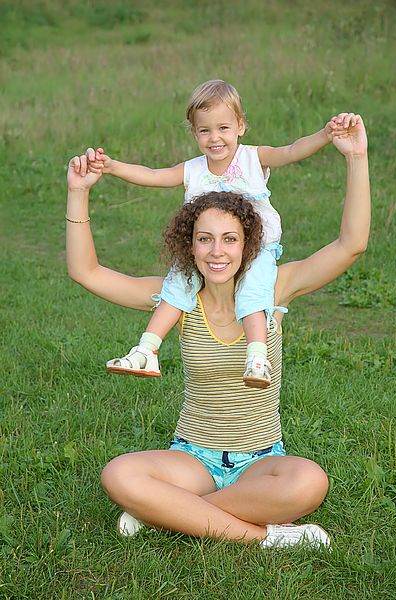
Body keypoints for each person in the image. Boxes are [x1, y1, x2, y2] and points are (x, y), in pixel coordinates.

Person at [66, 112, 369, 549]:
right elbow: (87, 272)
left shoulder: (274, 291)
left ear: (249, 244)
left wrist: (355, 157)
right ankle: (263, 537)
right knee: (119, 473)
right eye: (204, 239)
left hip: (262, 459)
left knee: (308, 481)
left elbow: (351, 244)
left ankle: (170, 512)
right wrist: (78, 193)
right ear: (189, 244)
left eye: (230, 239)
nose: (217, 251)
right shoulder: (178, 299)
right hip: (192, 457)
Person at [88, 79, 347, 389]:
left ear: (240, 126)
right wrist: (113, 167)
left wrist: (326, 134)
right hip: (207, 253)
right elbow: (153, 175)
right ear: (194, 132)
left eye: (223, 128)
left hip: (255, 249)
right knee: (176, 285)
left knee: (253, 292)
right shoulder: (193, 169)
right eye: (204, 130)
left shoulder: (253, 158)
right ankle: (147, 349)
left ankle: (257, 356)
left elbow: (291, 151)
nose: (215, 138)